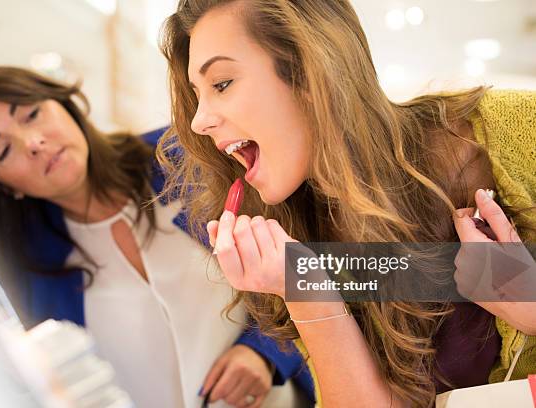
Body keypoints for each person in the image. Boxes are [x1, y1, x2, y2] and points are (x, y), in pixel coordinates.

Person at [156, 0, 536, 407]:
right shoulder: (295, 231)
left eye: (222, 83)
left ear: (310, 70)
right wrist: (304, 289)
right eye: (197, 95)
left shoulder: (516, 130)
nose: (198, 122)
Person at [0, 66, 314, 407]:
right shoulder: (25, 272)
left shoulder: (185, 153)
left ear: (65, 105)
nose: (32, 142)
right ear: (2, 184)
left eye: (30, 114)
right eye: (3, 150)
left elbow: (340, 266)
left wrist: (266, 350)